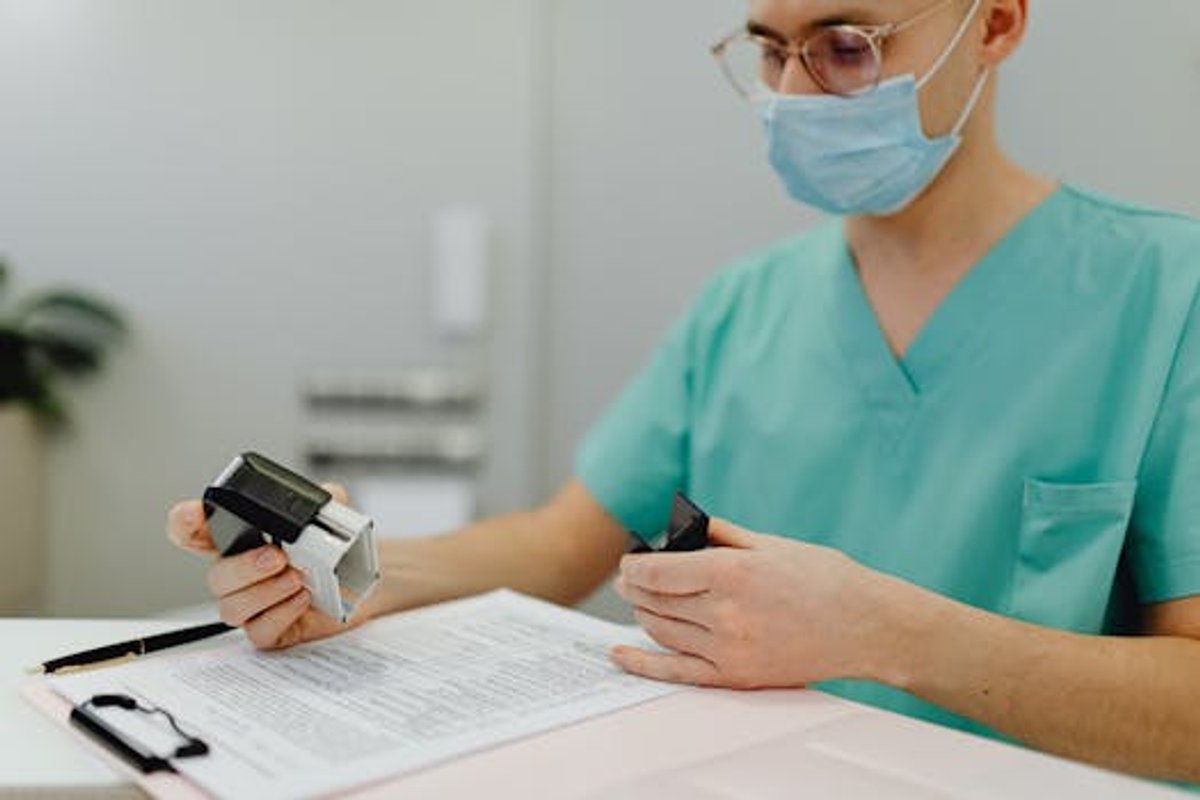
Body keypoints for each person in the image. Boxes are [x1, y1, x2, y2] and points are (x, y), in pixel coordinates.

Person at [168, 0, 1200, 784]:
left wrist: (883, 630)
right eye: (769, 49)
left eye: (846, 46)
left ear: (999, 24)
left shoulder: (1165, 296)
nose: (796, 95)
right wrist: (354, 574)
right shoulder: (745, 308)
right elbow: (558, 545)